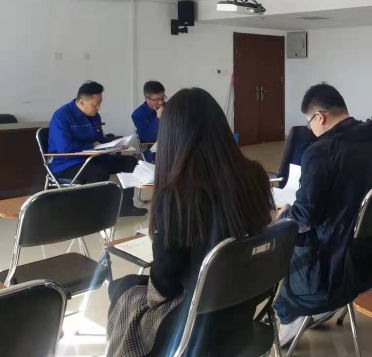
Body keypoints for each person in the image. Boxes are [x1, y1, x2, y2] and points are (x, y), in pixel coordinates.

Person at [107, 87, 274, 356]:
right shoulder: (255, 175)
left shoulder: (176, 192)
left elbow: (165, 282)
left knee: (123, 289)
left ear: (171, 137)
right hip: (242, 303)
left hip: (196, 317)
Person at [275, 83, 372, 345]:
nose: (311, 130)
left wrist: (285, 214)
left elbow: (306, 216)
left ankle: (290, 318)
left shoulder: (321, 151)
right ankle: (318, 309)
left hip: (332, 265)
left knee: (281, 234)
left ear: (320, 116)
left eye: (309, 123)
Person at [48, 81, 145, 216]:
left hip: (93, 158)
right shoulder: (61, 116)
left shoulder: (94, 116)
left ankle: (125, 207)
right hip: (67, 164)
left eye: (100, 103)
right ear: (82, 102)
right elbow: (64, 148)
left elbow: (100, 141)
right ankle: (98, 214)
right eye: (95, 104)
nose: (98, 107)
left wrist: (116, 145)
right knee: (99, 171)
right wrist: (91, 146)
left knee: (130, 163)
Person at [131, 80, 166, 162]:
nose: (161, 102)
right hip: (153, 150)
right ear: (147, 99)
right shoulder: (138, 114)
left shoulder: (169, 107)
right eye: (156, 99)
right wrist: (158, 118)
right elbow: (148, 138)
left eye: (162, 98)